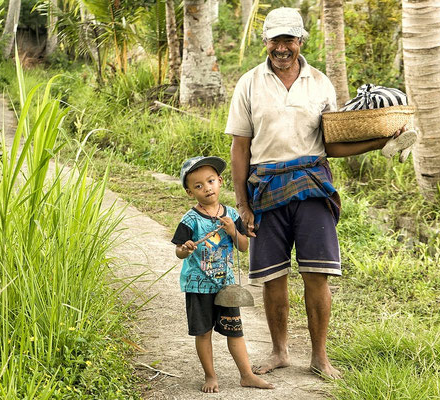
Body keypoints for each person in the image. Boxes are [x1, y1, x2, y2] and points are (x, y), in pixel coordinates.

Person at [225, 7, 413, 379]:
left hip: (313, 186)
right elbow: (240, 147)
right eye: (275, 40)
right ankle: (280, 353)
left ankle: (319, 358)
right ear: (265, 41)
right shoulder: (249, 83)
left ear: (300, 41)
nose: (282, 48)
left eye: (289, 40)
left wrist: (377, 143)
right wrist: (243, 204)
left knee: (317, 274)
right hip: (265, 188)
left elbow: (332, 144)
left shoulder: (321, 82)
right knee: (273, 276)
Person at [171, 156, 274, 393]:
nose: (206, 188)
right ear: (190, 192)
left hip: (225, 286)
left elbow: (243, 246)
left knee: (234, 331)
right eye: (198, 186)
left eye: (210, 181)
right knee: (203, 332)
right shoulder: (190, 220)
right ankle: (210, 375)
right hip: (199, 286)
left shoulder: (230, 215)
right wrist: (184, 249)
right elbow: (179, 251)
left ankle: (246, 375)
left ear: (219, 181)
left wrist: (232, 230)